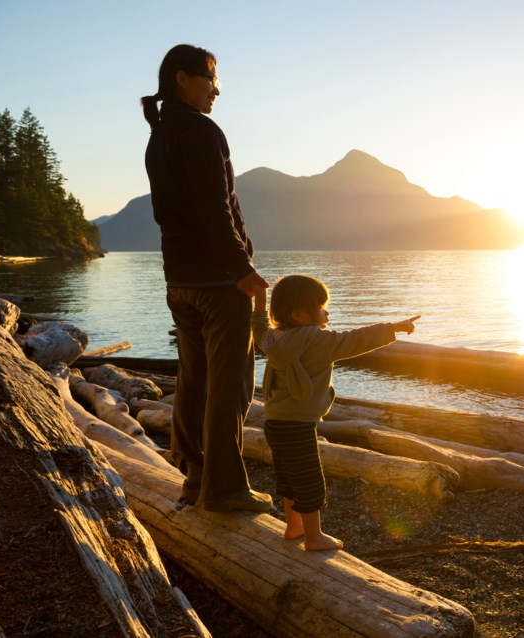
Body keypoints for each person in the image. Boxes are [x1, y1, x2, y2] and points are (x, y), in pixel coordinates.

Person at [141, 44, 271, 512]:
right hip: (219, 282)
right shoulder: (200, 130)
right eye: (210, 78)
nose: (217, 89)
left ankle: (196, 479)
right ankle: (225, 489)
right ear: (182, 78)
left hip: (180, 280)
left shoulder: (161, 134)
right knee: (231, 385)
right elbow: (216, 211)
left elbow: (172, 214)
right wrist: (243, 270)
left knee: (194, 381)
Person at [251, 274, 420, 550]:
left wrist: (259, 300)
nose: (326, 312)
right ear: (298, 313)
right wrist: (393, 328)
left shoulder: (273, 339)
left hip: (274, 422)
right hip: (299, 424)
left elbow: (258, 327)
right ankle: (314, 537)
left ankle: (294, 527)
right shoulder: (318, 340)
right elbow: (356, 339)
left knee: (289, 475)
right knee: (310, 479)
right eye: (320, 307)